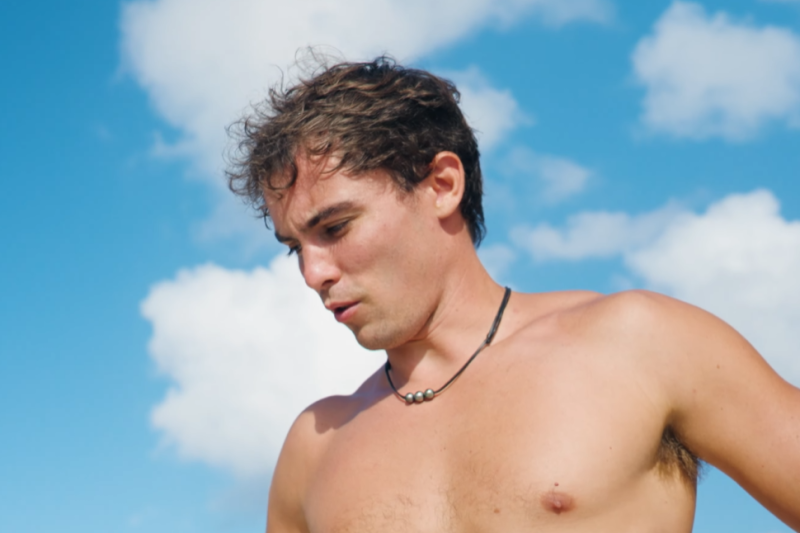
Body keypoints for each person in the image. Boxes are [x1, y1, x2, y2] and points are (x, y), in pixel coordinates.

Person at [226, 56, 800, 532]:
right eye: (294, 248)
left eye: (335, 228)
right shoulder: (316, 446)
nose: (313, 274)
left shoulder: (639, 342)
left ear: (442, 185)